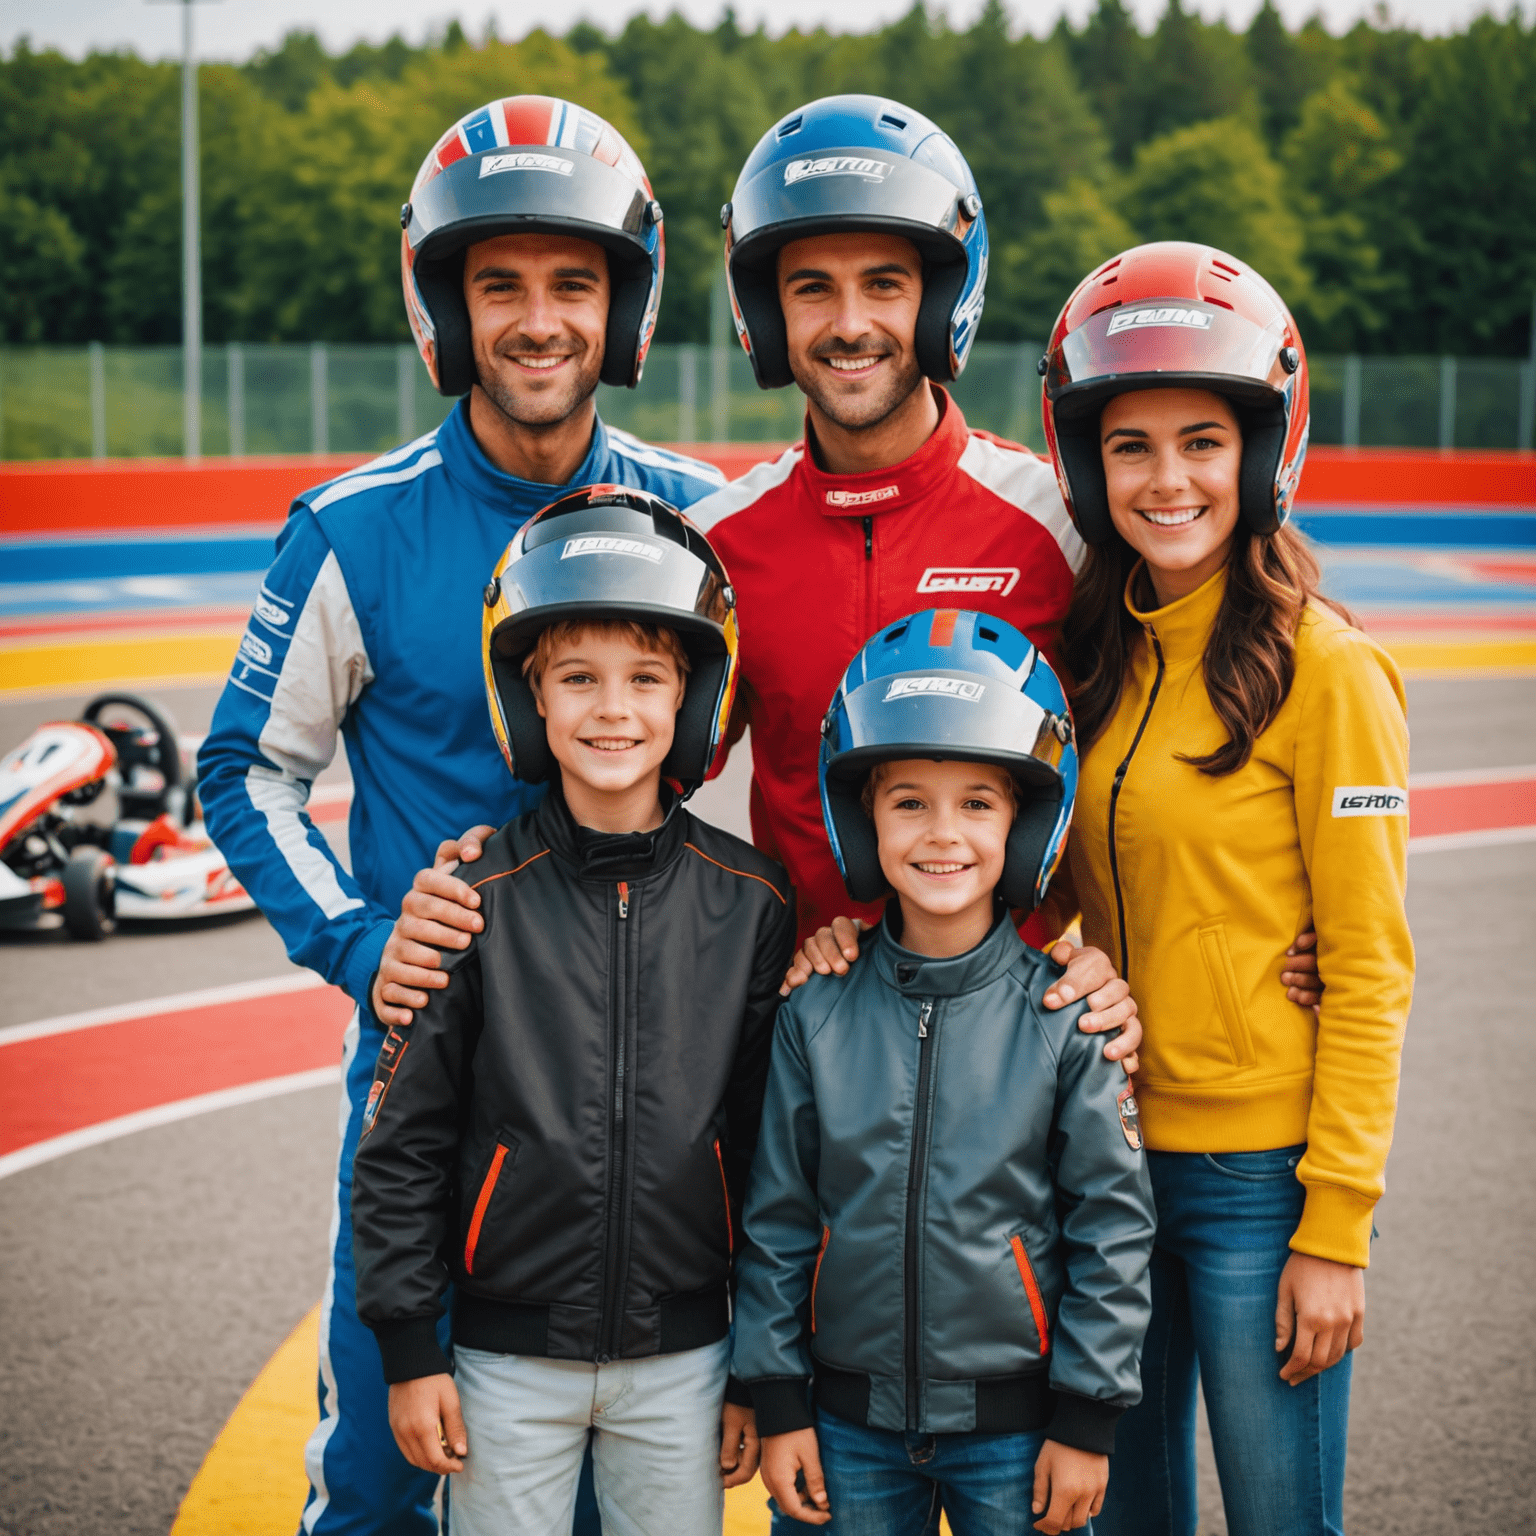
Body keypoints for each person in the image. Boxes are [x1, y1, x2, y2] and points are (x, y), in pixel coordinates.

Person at [196, 96, 724, 1535]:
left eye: (573, 282)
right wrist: (363, 944)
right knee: (376, 1498)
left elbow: (814, 766)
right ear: (447, 302)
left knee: (634, 1503)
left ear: (626, 303)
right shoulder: (352, 528)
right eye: (501, 284)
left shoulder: (703, 519)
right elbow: (245, 769)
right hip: (430, 1097)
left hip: (647, 1114)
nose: (538, 320)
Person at [381, 95, 1145, 1082]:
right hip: (802, 1038)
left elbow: (1155, 764)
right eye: (812, 288)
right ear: (764, 310)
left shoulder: (1061, 526)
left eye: (884, 283)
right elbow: (628, 782)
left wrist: (1172, 951)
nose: (851, 323)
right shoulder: (721, 544)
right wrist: (474, 886)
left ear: (944, 294)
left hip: (1022, 1041)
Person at [1034, 241, 1414, 1535]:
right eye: (1130, 445)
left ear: (1262, 447)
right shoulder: (1094, 657)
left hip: (1266, 1181)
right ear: (1089, 465)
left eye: (1202, 438)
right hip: (1113, 1167)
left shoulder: (1336, 673)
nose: (1168, 478)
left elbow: (1370, 964)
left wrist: (1338, 1227)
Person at [349, 487, 795, 1535]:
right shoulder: (470, 901)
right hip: (504, 1361)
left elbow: (774, 1155)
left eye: (648, 679)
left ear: (692, 697)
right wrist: (415, 1353)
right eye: (577, 679)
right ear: (529, 698)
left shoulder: (753, 902)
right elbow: (400, 1147)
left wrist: (760, 1370)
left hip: (687, 1359)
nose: (612, 711)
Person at [734, 608, 1155, 1536]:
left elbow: (1113, 1231)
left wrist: (1087, 1418)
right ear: (864, 817)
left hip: (1019, 1432)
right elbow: (777, 1222)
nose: (942, 834)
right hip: (844, 1425)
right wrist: (779, 1398)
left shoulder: (1067, 1020)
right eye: (908, 801)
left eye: (977, 802)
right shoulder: (816, 1010)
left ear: (1025, 819)